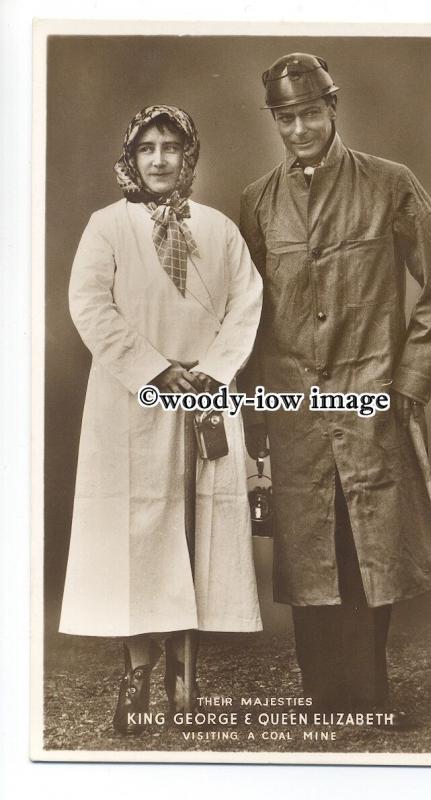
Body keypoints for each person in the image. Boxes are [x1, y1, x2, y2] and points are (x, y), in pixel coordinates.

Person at [239, 54, 431, 718]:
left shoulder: (389, 184)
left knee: (368, 538)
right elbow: (247, 320)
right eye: (287, 118)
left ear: (332, 108)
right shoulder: (257, 201)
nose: (300, 127)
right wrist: (257, 422)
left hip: (370, 396)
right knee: (309, 548)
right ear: (275, 123)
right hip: (293, 408)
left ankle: (365, 693)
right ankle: (322, 695)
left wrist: (407, 381)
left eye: (311, 112)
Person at [59, 105, 263, 734]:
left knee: (196, 527)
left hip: (202, 394)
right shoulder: (107, 227)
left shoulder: (218, 229)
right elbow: (89, 306)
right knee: (138, 533)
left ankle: (184, 666)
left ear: (188, 157)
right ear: (131, 157)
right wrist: (153, 368)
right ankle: (137, 669)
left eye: (171, 148)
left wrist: (213, 370)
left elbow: (246, 304)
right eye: (146, 148)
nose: (158, 160)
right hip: (132, 399)